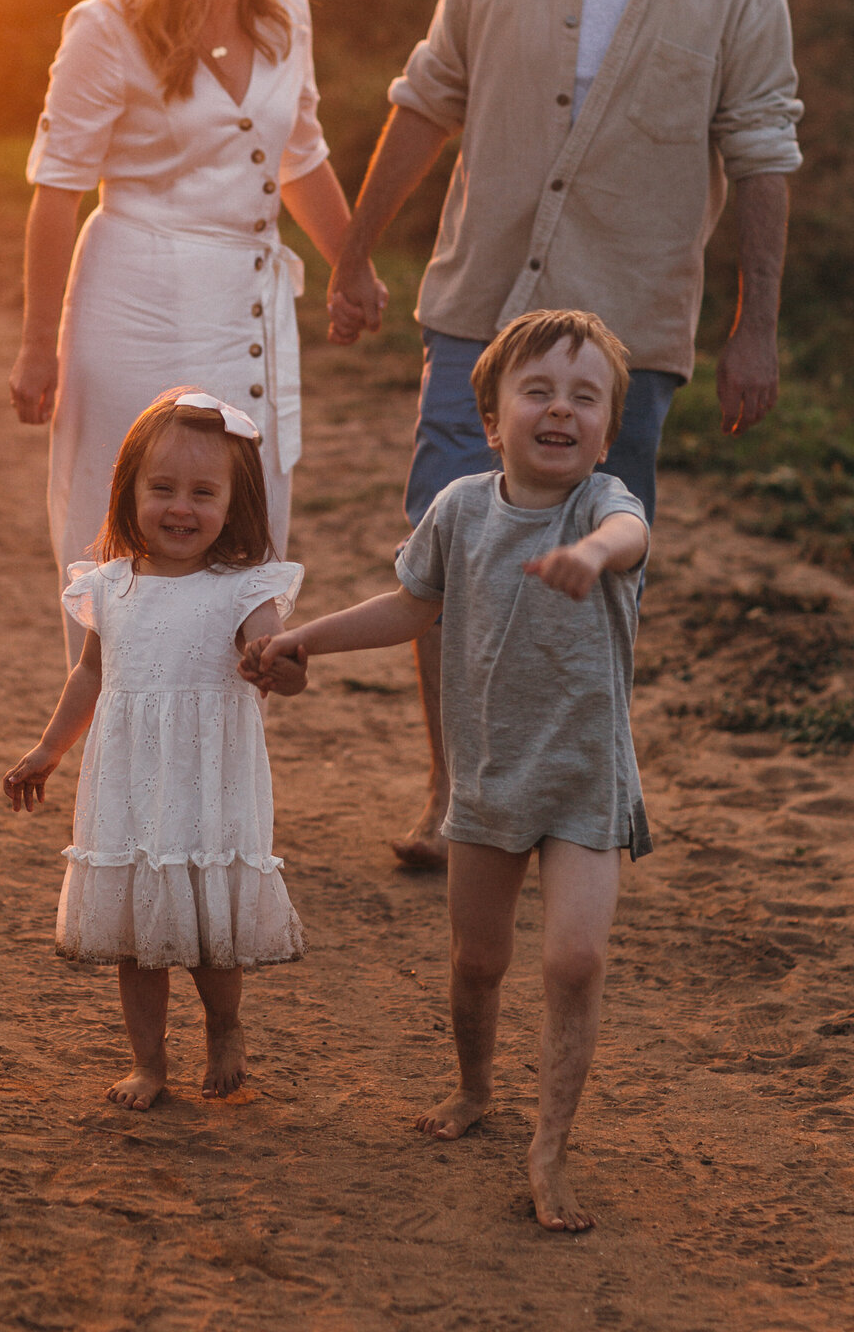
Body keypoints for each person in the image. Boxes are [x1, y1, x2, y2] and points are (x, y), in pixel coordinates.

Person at [326, 0, 803, 868]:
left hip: (628, 333)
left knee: (599, 569)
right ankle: (457, 794)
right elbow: (428, 97)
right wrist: (352, 251)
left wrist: (757, 332)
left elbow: (766, 155)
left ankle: (574, 795)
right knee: (445, 550)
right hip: (478, 311)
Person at [244, 309, 651, 1233]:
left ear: (609, 428)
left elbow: (630, 535)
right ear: (491, 417)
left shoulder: (603, 508)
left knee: (575, 957)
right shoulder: (461, 508)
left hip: (587, 780)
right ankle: (474, 1091)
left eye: (585, 398)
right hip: (490, 782)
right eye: (538, 391)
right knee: (477, 960)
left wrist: (588, 555)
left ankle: (549, 1147)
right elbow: (407, 607)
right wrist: (306, 639)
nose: (561, 410)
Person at [9, 0, 373, 660]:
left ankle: (217, 754)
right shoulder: (107, 27)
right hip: (133, 302)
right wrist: (37, 348)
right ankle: (114, 742)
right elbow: (56, 191)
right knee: (132, 532)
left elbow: (302, 153)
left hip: (246, 311)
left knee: (242, 526)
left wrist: (350, 267)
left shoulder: (286, 11)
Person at [3, 389, 308, 1113]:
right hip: (131, 785)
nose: (181, 507)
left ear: (234, 503)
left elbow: (280, 660)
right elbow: (90, 673)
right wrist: (48, 749)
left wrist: (282, 667)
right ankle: (148, 1062)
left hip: (207, 784)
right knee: (137, 935)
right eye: (162, 488)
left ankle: (225, 1027)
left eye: (204, 492)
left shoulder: (243, 589)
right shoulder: (109, 588)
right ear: (128, 490)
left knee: (205, 927)